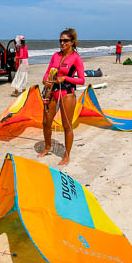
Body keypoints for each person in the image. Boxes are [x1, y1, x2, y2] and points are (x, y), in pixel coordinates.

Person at [38, 28, 85, 166]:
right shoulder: (55, 55)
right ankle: (48, 147)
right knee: (46, 122)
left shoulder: (76, 58)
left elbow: (81, 80)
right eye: (61, 40)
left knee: (66, 126)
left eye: (65, 40)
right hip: (52, 93)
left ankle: (67, 155)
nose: (62, 43)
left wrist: (65, 78)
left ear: (72, 42)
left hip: (67, 94)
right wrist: (45, 80)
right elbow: (47, 72)